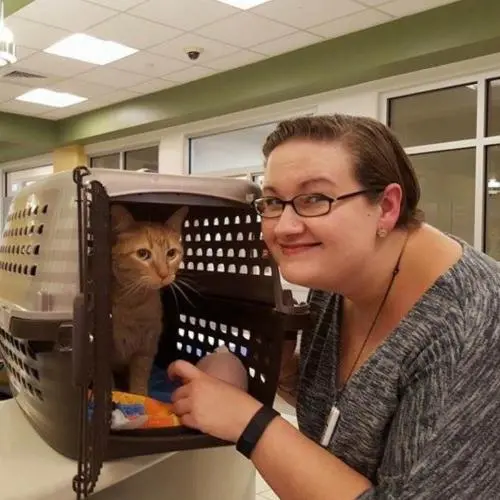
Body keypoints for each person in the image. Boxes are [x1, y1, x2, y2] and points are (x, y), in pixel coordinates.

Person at [168, 114, 500, 499]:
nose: (284, 227)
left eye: (315, 199)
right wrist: (282, 371)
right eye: (274, 202)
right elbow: (349, 416)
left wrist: (249, 423)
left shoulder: (472, 324)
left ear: (387, 207)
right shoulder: (339, 278)